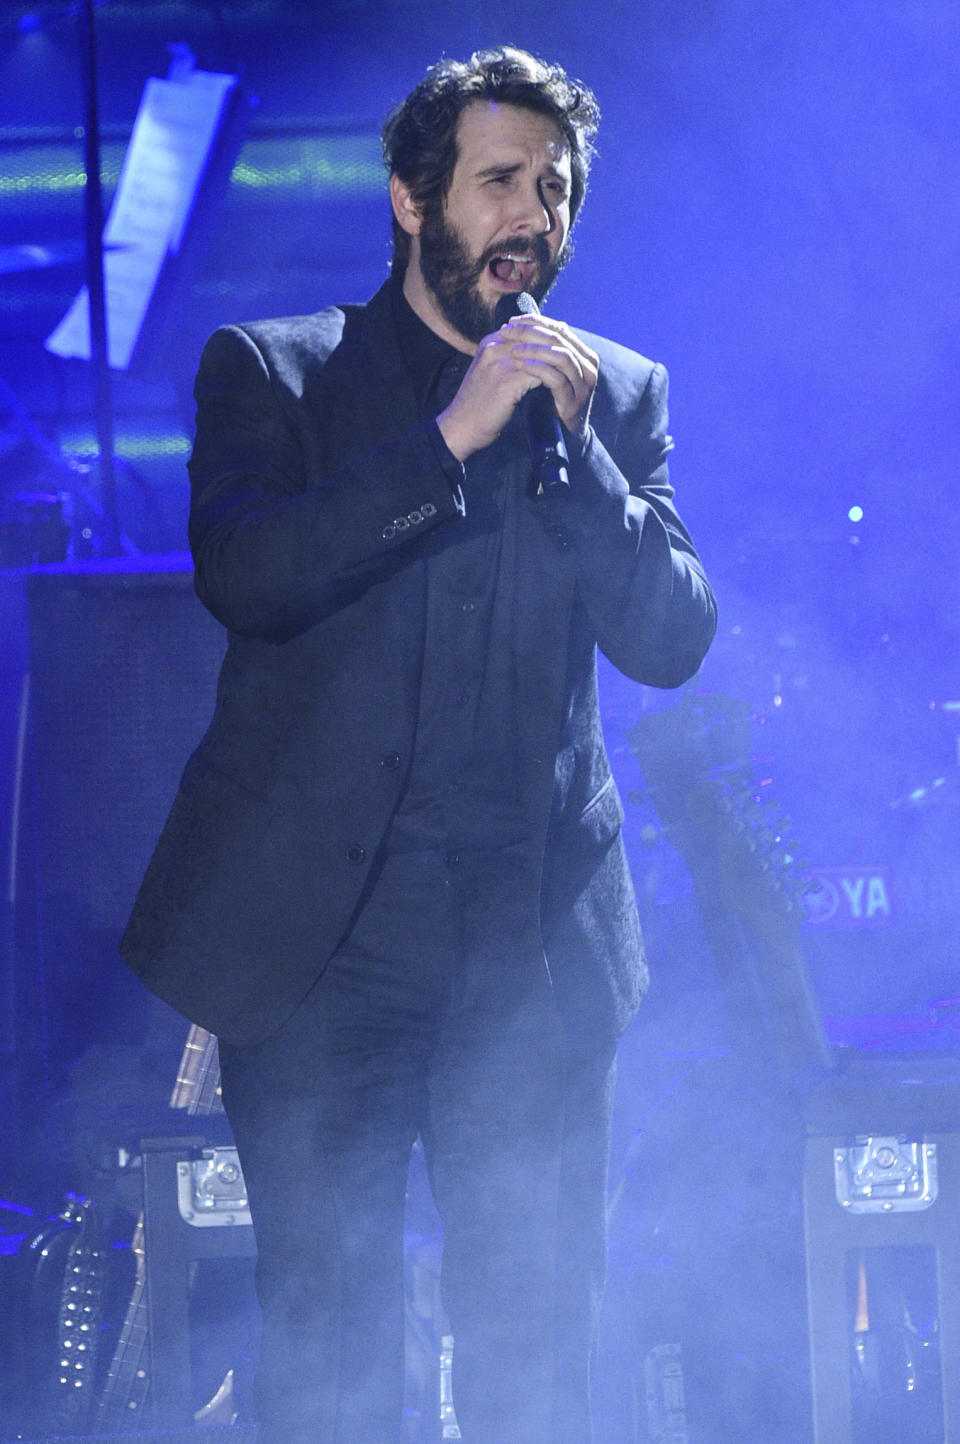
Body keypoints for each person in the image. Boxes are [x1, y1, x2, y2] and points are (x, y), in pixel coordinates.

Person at [121, 44, 716, 1444]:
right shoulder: (277, 372)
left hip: (533, 958)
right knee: (327, 1338)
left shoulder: (614, 394)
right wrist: (448, 439)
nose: (534, 216)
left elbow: (676, 636)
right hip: (327, 957)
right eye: (501, 180)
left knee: (533, 1338)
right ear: (410, 198)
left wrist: (576, 464)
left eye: (556, 191)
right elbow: (249, 577)